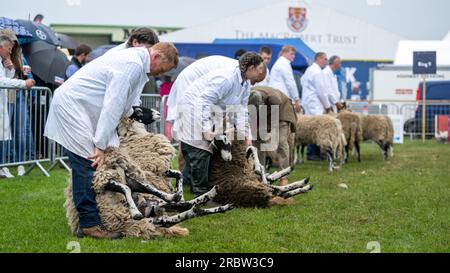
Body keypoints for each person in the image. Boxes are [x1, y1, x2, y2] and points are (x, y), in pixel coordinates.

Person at [44, 42, 178, 239]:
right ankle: (89, 224)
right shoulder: (132, 64)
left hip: (82, 107)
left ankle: (95, 217)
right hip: (73, 107)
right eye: (161, 69)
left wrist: (137, 112)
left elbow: (124, 104)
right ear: (156, 56)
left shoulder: (138, 65)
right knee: (88, 161)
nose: (158, 74)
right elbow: (113, 105)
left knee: (94, 162)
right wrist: (100, 145)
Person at [175, 52, 266, 196]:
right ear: (251, 68)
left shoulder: (245, 84)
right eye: (260, 70)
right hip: (193, 108)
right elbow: (203, 101)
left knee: (207, 149)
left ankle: (189, 182)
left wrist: (246, 136)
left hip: (210, 111)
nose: (261, 74)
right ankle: (200, 192)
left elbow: (241, 110)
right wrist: (205, 128)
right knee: (200, 150)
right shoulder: (226, 78)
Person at [0, 33, 35, 178]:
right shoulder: (4, 57)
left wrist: (19, 71)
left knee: (19, 131)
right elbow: (4, 80)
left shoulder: (19, 55)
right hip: (7, 95)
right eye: (9, 45)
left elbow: (24, 76)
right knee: (4, 130)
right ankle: (5, 164)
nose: (11, 49)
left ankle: (19, 163)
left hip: (17, 95)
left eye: (13, 45)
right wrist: (11, 71)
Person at [249, 86, 297, 186]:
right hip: (264, 113)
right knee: (257, 141)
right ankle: (259, 174)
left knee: (281, 142)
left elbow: (274, 113)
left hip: (283, 111)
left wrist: (268, 126)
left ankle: (284, 176)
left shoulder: (273, 98)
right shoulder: (247, 94)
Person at [301, 52, 330, 161]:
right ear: (319, 59)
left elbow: (302, 80)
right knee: (315, 128)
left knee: (312, 127)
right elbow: (321, 91)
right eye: (325, 59)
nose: (327, 62)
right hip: (314, 103)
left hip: (310, 101)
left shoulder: (310, 69)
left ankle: (315, 152)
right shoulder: (317, 72)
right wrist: (327, 106)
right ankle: (312, 153)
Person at [269, 45, 301, 113]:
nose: (293, 56)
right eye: (291, 54)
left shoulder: (280, 62)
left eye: (294, 54)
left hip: (277, 96)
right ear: (284, 53)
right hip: (281, 97)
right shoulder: (284, 63)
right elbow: (290, 83)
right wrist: (296, 99)